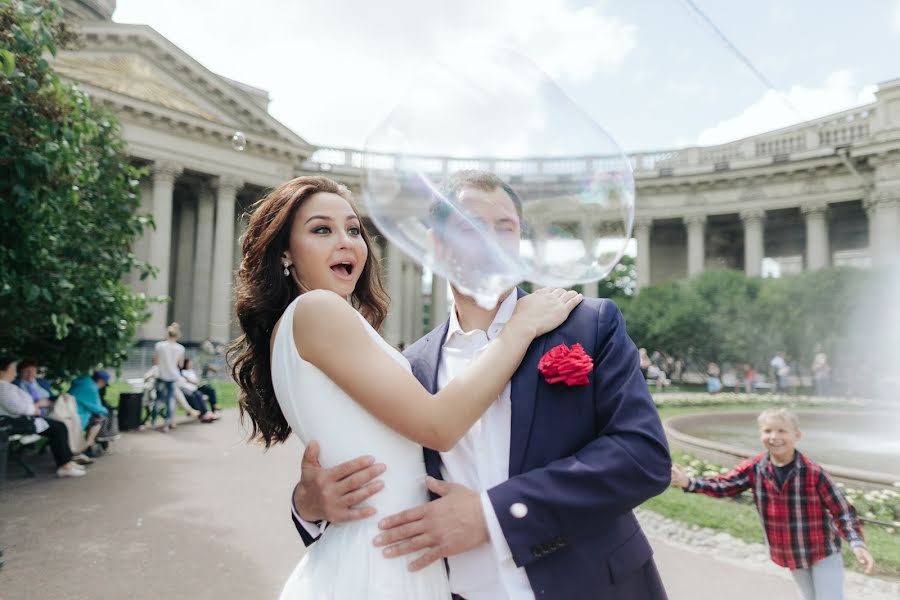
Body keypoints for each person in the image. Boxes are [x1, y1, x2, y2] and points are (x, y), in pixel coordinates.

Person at [288, 171, 671, 599]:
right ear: (435, 247)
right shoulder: (410, 367)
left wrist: (494, 515)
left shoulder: (588, 324)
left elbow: (642, 456)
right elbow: (379, 474)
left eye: (505, 227)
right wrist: (309, 507)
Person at [229, 175, 582, 599]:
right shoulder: (319, 310)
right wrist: (518, 330)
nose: (346, 242)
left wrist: (307, 504)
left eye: (354, 229)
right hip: (382, 560)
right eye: (322, 229)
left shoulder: (303, 324)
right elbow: (438, 425)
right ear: (285, 251)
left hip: (391, 552)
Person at [671, 408, 876, 599]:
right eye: (767, 430)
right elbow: (725, 485)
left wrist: (857, 543)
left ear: (797, 435)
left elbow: (842, 512)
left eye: (782, 431)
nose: (774, 437)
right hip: (792, 553)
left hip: (822, 551)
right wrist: (689, 482)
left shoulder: (813, 473)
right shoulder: (755, 468)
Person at [0, 356, 88, 476]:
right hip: (19, 421)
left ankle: (69, 461)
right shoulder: (3, 387)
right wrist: (34, 408)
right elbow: (18, 408)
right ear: (3, 371)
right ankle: (66, 464)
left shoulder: (8, 386)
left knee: (65, 423)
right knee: (59, 427)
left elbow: (22, 404)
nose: (14, 372)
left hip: (27, 418)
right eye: (13, 369)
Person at [68, 371, 111, 456]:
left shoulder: (83, 382)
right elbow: (96, 408)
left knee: (95, 418)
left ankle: (88, 444)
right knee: (99, 420)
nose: (103, 386)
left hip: (69, 410)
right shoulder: (91, 388)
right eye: (104, 384)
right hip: (76, 414)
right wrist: (107, 410)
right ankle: (87, 444)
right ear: (101, 381)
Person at [153, 323, 185, 431]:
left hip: (161, 375)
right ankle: (167, 424)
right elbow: (180, 364)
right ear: (177, 335)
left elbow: (155, 361)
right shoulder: (180, 348)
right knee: (171, 400)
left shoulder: (159, 345)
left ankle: (153, 422)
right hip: (172, 376)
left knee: (158, 399)